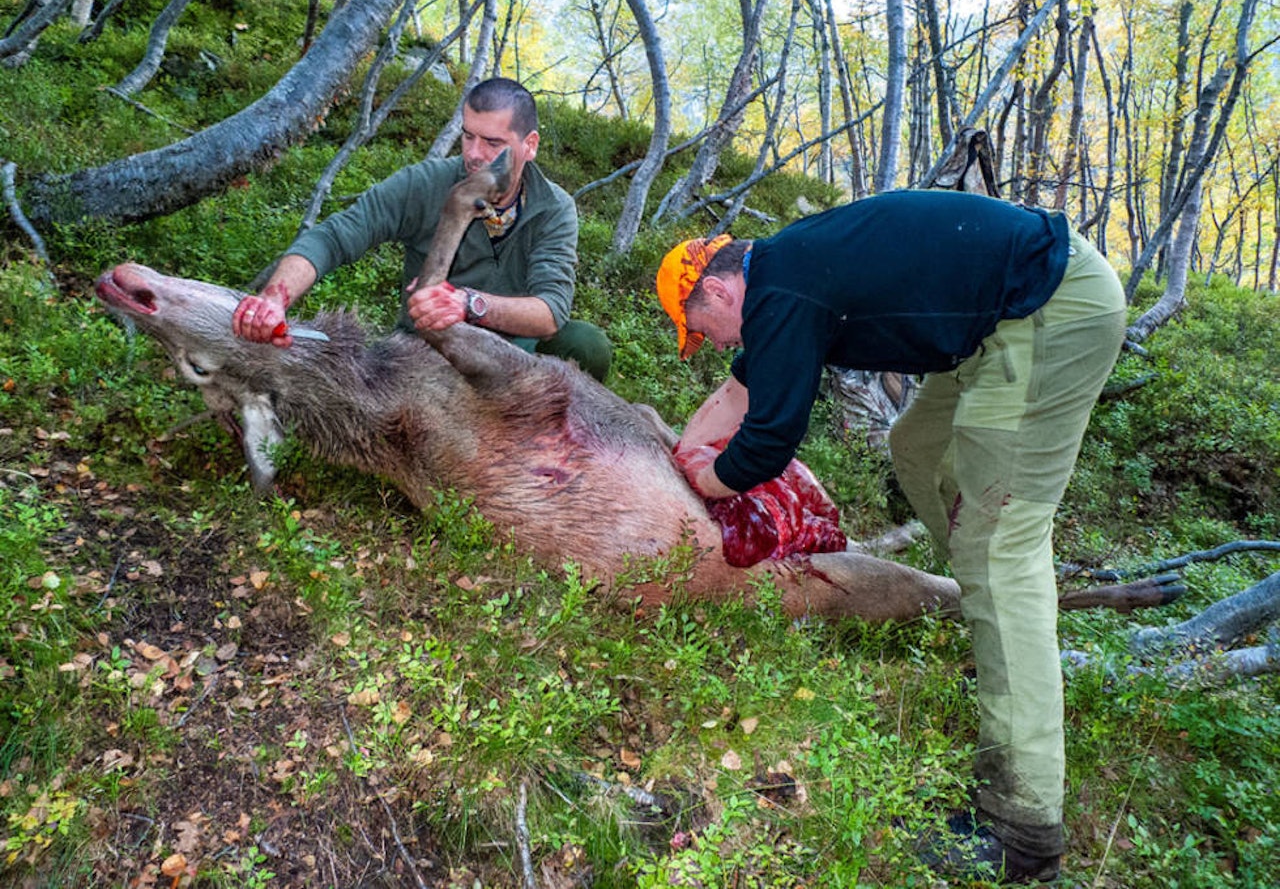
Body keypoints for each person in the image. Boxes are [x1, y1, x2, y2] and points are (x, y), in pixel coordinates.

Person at [655, 189, 1126, 884]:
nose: (717, 345)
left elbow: (766, 440)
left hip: (1050, 311)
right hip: (1000, 321)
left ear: (720, 289)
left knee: (1002, 552)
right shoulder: (784, 273)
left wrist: (711, 483)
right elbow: (735, 396)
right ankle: (988, 610)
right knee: (916, 444)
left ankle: (1024, 830)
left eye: (705, 329)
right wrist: (680, 461)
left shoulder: (779, 291)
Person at [233, 77, 612, 382]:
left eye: (493, 142)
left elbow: (550, 311)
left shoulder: (554, 207)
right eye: (468, 136)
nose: (474, 154)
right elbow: (334, 236)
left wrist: (466, 304)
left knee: (586, 345)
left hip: (514, 354)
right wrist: (274, 299)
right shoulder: (423, 184)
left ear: (529, 145)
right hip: (426, 352)